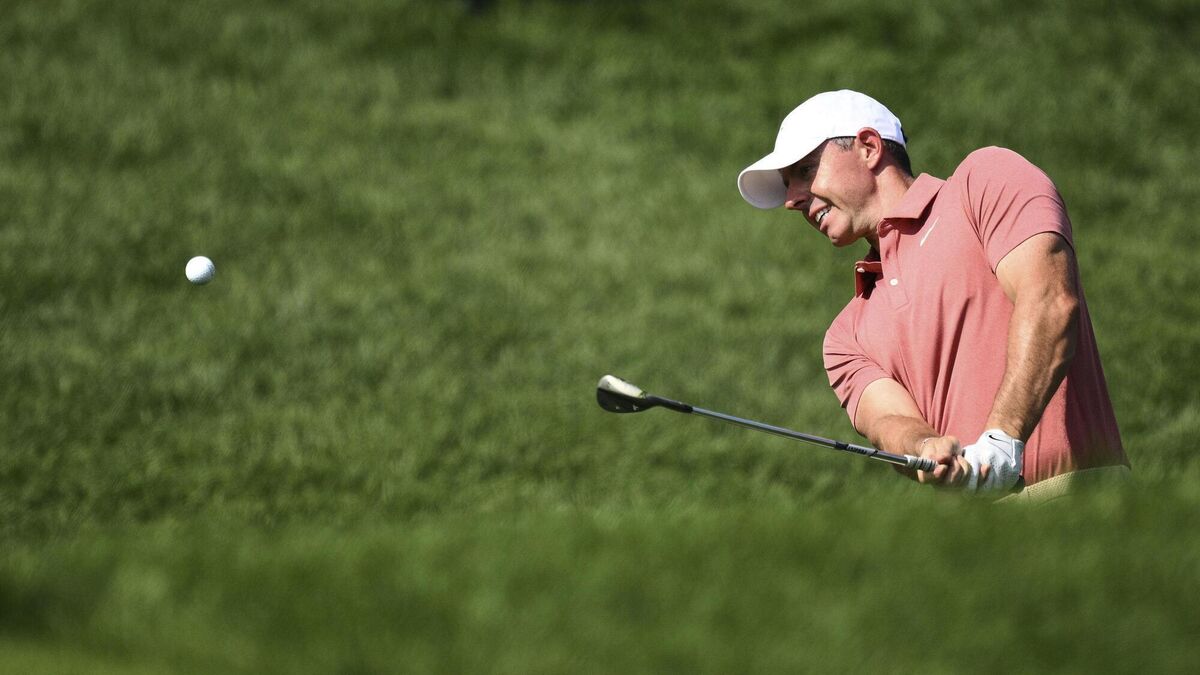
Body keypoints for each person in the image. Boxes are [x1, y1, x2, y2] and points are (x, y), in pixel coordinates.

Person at [737, 90, 1130, 501]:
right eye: (787, 185)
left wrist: (1002, 439)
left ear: (869, 147)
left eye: (805, 171)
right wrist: (924, 446)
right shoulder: (844, 338)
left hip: (1081, 501)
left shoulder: (984, 181)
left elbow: (1049, 303)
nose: (791, 200)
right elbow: (887, 419)